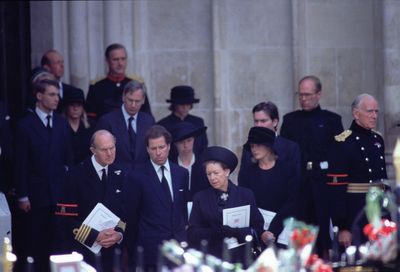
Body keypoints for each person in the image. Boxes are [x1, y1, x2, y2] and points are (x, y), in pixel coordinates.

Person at [280, 75, 343, 256]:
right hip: (300, 185)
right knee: (300, 238)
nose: (303, 99)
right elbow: (284, 153)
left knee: (325, 239)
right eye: (300, 95)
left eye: (307, 94)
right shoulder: (290, 120)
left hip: (324, 185)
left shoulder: (332, 120)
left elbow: (339, 154)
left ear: (318, 94)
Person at [14, 79, 72, 271]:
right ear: (39, 96)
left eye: (58, 94)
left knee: (59, 243)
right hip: (36, 197)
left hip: (59, 195)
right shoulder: (25, 126)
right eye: (52, 94)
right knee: (37, 243)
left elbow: (67, 160)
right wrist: (22, 195)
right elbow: (20, 164)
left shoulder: (62, 124)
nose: (57, 99)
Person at [187, 146, 270, 266]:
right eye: (208, 174)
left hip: (242, 258)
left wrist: (237, 232)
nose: (212, 178)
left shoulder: (245, 194)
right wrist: (215, 232)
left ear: (226, 172)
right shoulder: (200, 198)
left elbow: (258, 227)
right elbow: (192, 233)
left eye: (216, 173)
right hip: (213, 259)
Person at [55, 130, 126, 270]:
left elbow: (125, 212)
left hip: (111, 253)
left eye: (112, 148)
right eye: (104, 149)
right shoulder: (75, 176)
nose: (110, 153)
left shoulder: (120, 174)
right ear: (93, 150)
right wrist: (95, 236)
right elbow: (64, 220)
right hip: (83, 252)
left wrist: (119, 234)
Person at [124, 125, 188, 271]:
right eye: (153, 148)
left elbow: (182, 211)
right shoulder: (136, 177)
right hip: (150, 251)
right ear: (147, 149)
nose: (158, 152)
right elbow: (131, 217)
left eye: (161, 147)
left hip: (179, 248)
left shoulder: (182, 174)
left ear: (169, 146)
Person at [326, 94, 387, 249]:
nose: (374, 116)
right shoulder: (343, 142)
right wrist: (343, 226)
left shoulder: (377, 140)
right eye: (369, 111)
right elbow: (336, 189)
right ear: (355, 113)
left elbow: (383, 181)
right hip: (355, 214)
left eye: (376, 111)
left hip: (377, 214)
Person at [238, 127, 300, 247]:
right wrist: (262, 231)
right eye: (252, 146)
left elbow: (292, 201)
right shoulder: (247, 172)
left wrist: (273, 230)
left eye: (258, 145)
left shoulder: (287, 169)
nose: (254, 149)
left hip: (283, 230)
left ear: (269, 146)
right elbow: (246, 202)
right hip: (257, 232)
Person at [95, 79, 155, 171]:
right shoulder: (107, 121)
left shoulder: (149, 121)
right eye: (130, 100)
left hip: (142, 178)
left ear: (143, 101)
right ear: (123, 97)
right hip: (116, 177)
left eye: (137, 101)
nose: (133, 105)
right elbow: (99, 154)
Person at [239, 101, 301, 185]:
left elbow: (295, 181)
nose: (259, 125)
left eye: (263, 121)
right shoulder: (249, 148)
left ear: (275, 122)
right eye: (256, 121)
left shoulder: (290, 148)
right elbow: (243, 180)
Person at [86, 43, 152, 120]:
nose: (120, 63)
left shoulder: (137, 83)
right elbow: (91, 118)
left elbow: (146, 114)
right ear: (107, 61)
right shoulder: (97, 86)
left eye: (123, 59)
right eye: (115, 59)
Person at [158, 85, 208, 160]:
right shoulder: (163, 125)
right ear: (174, 104)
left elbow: (203, 146)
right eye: (181, 104)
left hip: (196, 164)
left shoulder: (198, 122)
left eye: (188, 104)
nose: (185, 107)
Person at [170, 121, 209, 201]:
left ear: (194, 140)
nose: (185, 145)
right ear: (175, 144)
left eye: (189, 140)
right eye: (181, 142)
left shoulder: (204, 165)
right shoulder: (170, 167)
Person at [62, 90, 93, 165]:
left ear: (83, 107)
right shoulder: (60, 126)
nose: (75, 108)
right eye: (72, 105)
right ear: (67, 107)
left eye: (78, 105)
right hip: (66, 169)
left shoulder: (91, 126)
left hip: (86, 169)